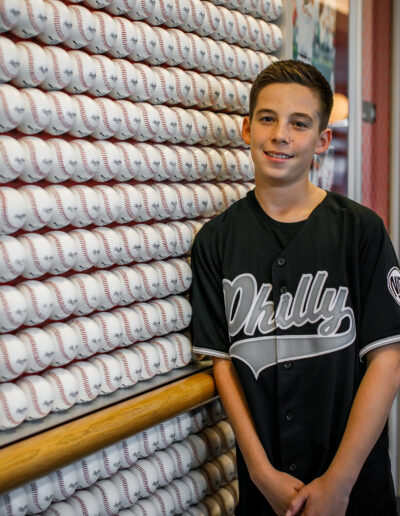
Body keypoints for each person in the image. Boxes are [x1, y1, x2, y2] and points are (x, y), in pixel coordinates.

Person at [190, 59, 400, 516]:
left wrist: (339, 484)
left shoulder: (361, 231)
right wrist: (262, 473)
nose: (280, 134)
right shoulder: (215, 241)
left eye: (299, 123)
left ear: (322, 140)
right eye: (267, 118)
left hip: (356, 491)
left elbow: (388, 360)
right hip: (266, 493)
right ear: (247, 129)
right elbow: (223, 364)